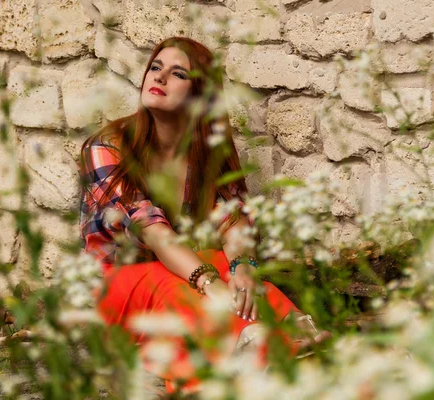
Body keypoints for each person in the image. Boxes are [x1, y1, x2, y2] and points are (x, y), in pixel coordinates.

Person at [79, 37, 330, 395]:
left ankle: (293, 336)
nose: (160, 78)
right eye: (156, 67)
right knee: (182, 280)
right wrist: (208, 281)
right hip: (114, 287)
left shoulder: (204, 153)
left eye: (177, 73)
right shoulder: (106, 148)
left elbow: (233, 220)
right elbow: (154, 233)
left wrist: (243, 269)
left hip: (175, 276)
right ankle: (248, 352)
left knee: (230, 275)